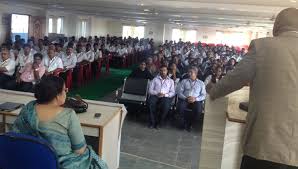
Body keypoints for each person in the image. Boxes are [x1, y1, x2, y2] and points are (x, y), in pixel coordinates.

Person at [207, 8, 298, 169]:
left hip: (266, 148)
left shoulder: (263, 46)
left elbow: (235, 79)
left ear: (277, 25)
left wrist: (214, 90)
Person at [12, 76, 108, 169]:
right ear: (57, 95)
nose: (66, 92)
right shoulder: (68, 115)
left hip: (28, 160)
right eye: (64, 90)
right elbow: (80, 150)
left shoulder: (29, 108)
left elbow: (16, 134)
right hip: (60, 164)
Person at [177, 67, 206, 132]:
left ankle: (190, 124)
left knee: (198, 110)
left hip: (196, 100)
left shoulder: (201, 83)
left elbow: (203, 95)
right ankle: (183, 123)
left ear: (196, 73)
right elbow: (179, 92)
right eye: (188, 72)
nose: (189, 73)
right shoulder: (184, 81)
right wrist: (186, 98)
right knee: (180, 107)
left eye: (191, 72)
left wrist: (196, 99)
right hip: (185, 99)